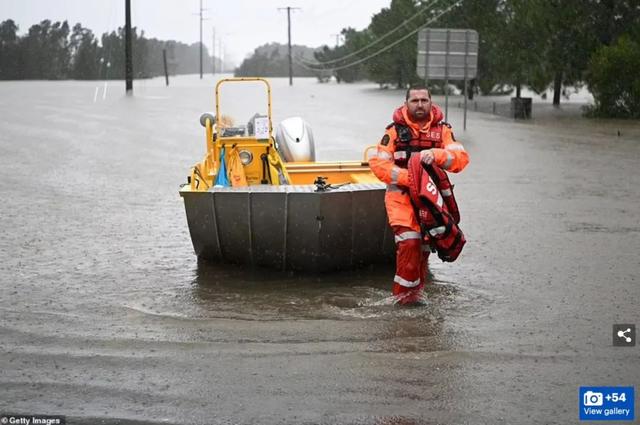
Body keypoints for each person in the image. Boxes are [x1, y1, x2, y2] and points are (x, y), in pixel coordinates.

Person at [369, 86, 469, 304]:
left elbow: (460, 158)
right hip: (401, 198)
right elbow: (378, 164)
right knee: (410, 242)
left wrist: (437, 154)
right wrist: (411, 177)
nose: (420, 104)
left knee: (424, 248)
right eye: (415, 100)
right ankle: (403, 299)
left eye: (424, 100)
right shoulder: (394, 131)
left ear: (431, 102)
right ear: (406, 104)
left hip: (429, 199)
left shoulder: (443, 131)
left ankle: (417, 296)